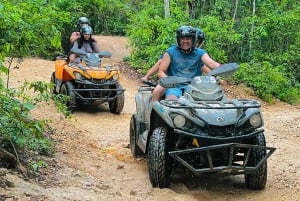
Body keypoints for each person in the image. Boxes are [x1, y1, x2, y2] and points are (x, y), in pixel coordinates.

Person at [152, 25, 221, 101]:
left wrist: (223, 68)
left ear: (193, 39)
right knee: (171, 101)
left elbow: (212, 63)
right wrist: (169, 80)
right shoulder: (170, 52)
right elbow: (161, 72)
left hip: (194, 87)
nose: (185, 41)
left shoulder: (200, 53)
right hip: (174, 86)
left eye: (188, 38)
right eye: (182, 38)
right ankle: (153, 111)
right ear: (178, 40)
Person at [141, 27, 207, 82]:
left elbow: (204, 69)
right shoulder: (174, 51)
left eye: (198, 42)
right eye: (196, 41)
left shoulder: (199, 53)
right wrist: (147, 76)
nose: (196, 44)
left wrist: (214, 77)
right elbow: (160, 63)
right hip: (170, 80)